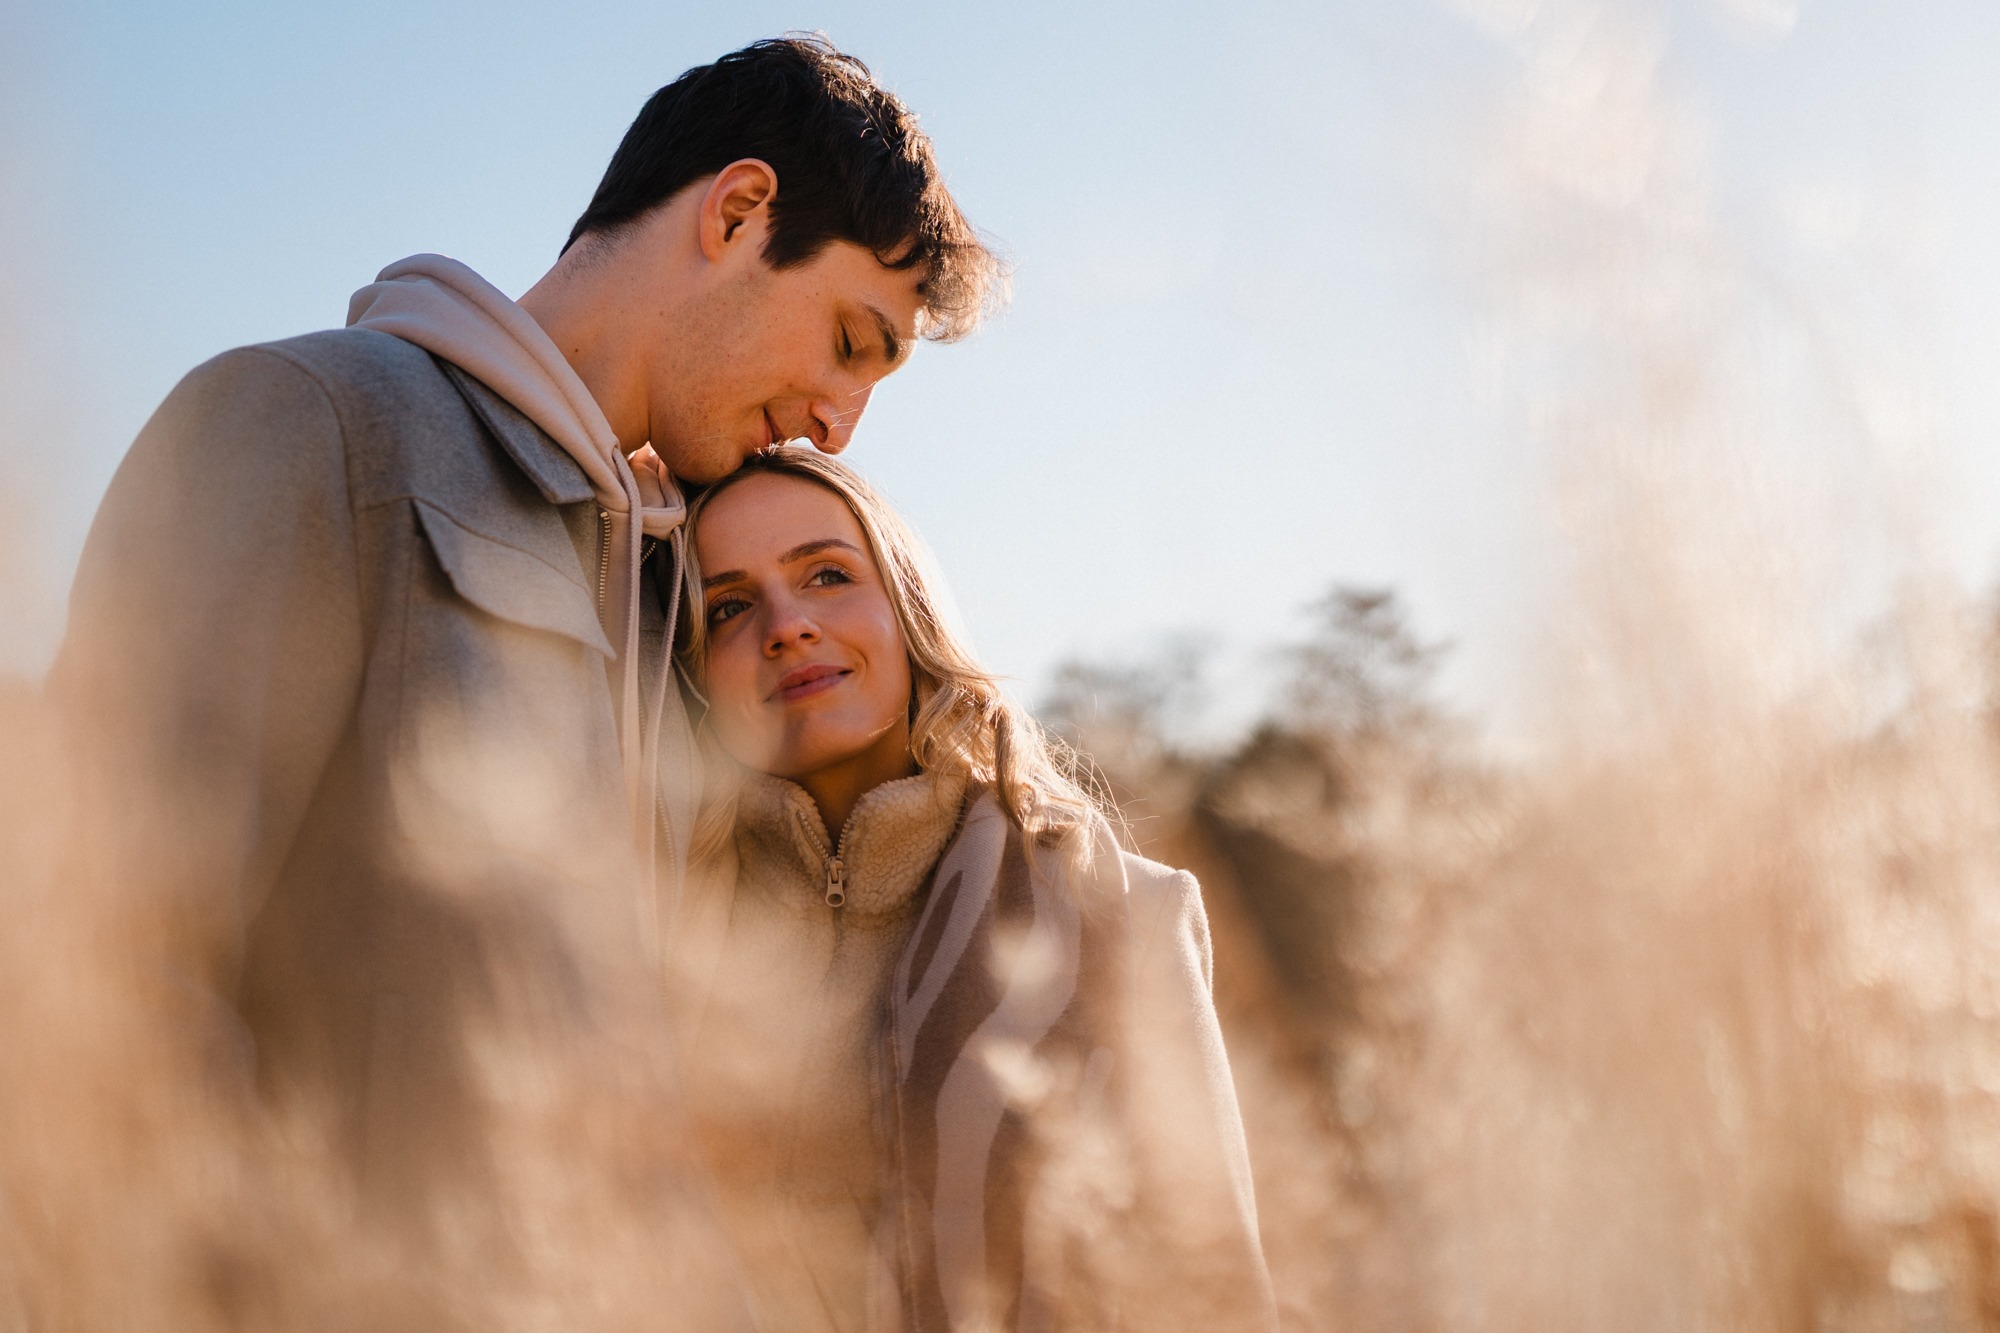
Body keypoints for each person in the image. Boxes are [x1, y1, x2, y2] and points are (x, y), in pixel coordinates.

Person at [48, 35, 1000, 1321]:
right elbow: (97, 981)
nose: (840, 420)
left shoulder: (688, 606)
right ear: (735, 211)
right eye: (847, 337)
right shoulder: (308, 419)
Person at [669, 447, 1278, 1332]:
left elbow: (1217, 1295)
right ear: (691, 673)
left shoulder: (1122, 918)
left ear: (908, 607)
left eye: (828, 574)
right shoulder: (648, 942)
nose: (787, 623)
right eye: (728, 605)